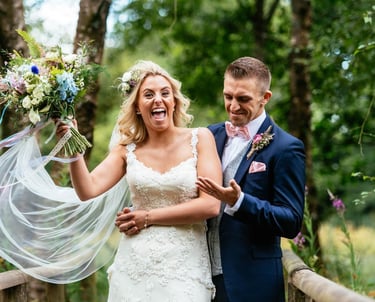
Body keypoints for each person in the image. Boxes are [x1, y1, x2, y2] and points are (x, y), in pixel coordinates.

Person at [55, 60, 222, 301]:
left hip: (185, 268)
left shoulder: (201, 138)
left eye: (165, 93)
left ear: (174, 101)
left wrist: (147, 217)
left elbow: (210, 205)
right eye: (148, 94)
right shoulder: (126, 151)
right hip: (134, 266)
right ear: (136, 107)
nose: (158, 99)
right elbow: (87, 190)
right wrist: (73, 149)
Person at [195, 56, 306, 302]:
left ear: (265, 97)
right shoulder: (209, 136)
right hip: (197, 277)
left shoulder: (286, 148)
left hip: (251, 283)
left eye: (243, 99)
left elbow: (291, 221)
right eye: (228, 96)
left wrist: (240, 201)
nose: (233, 106)